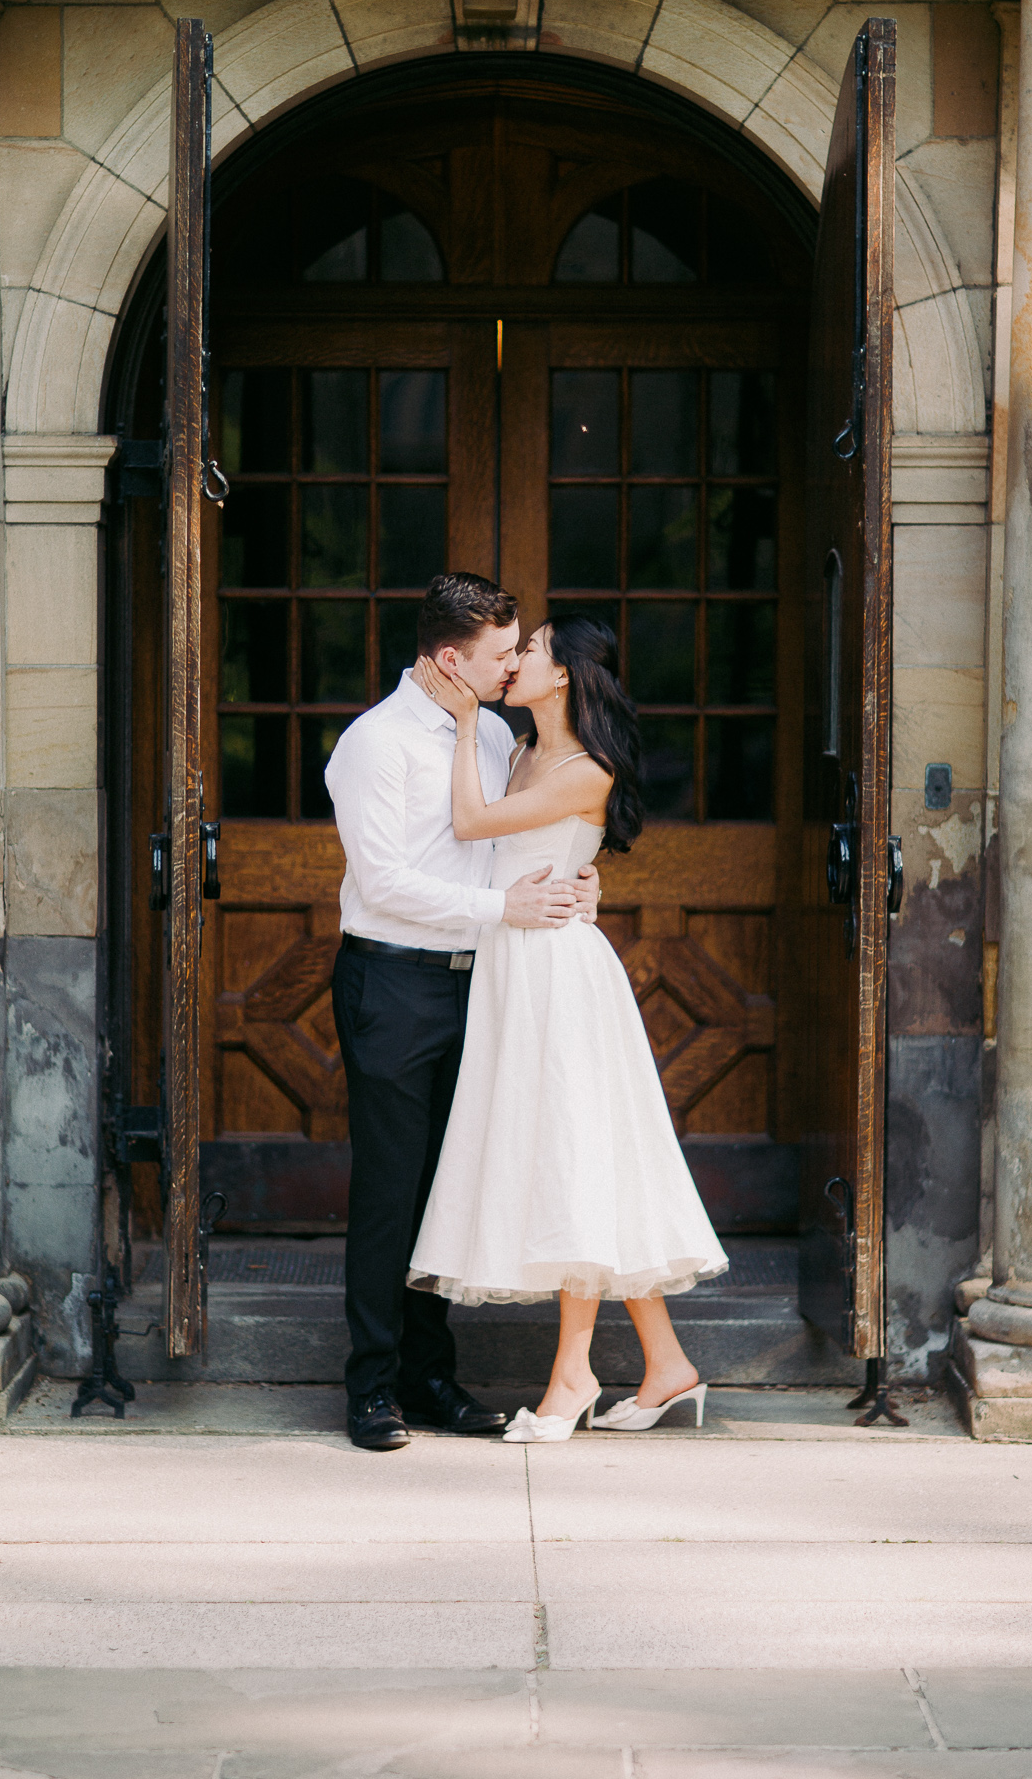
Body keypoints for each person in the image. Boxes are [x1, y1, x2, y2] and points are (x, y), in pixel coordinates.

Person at [408, 615, 728, 1442]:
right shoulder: (523, 753)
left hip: (557, 976)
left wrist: (464, 721)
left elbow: (475, 826)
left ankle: (572, 1375)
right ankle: (666, 1366)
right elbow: (503, 856)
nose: (515, 661)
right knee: (585, 1160)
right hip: (517, 967)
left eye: (532, 649)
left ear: (564, 677)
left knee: (569, 1158)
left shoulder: (584, 767)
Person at [324, 573, 601, 1452]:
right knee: (389, 1191)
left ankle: (429, 1376)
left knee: (450, 1188)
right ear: (451, 657)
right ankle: (370, 1388)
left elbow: (515, 842)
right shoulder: (374, 745)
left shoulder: (491, 733)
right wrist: (501, 913)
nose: (514, 663)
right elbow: (384, 883)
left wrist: (573, 882)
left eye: (520, 650)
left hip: (479, 984)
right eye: (500, 653)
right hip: (393, 985)